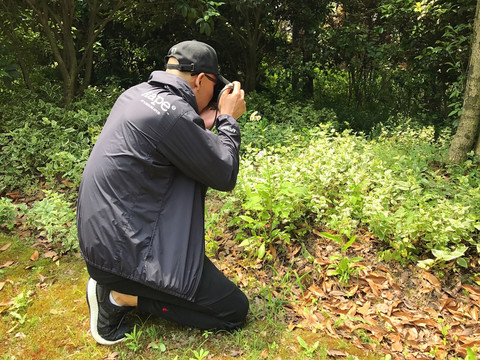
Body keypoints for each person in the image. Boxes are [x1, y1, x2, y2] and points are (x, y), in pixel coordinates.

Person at [76, 40, 248, 345]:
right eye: (214, 86)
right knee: (233, 310)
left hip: (104, 243)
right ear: (200, 80)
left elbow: (170, 138)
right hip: (125, 255)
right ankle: (118, 296)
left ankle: (115, 285)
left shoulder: (136, 94)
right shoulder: (174, 116)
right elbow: (224, 173)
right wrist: (229, 120)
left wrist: (201, 123)